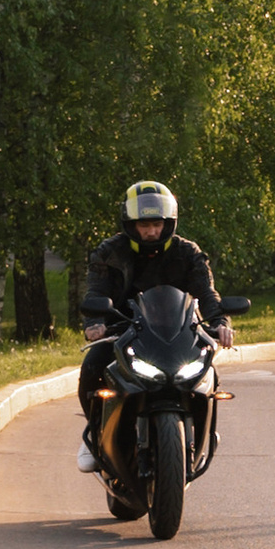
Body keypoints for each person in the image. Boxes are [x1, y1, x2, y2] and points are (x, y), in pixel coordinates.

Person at [76, 181, 231, 473]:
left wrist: (220, 322)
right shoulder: (110, 251)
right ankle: (94, 432)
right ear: (130, 224)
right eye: (144, 224)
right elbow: (96, 292)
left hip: (178, 332)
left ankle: (202, 431)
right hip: (122, 331)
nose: (151, 231)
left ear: (168, 223)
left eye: (157, 224)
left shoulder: (188, 252)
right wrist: (95, 323)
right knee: (93, 365)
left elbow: (207, 293)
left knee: (208, 372)